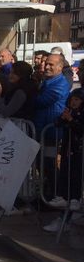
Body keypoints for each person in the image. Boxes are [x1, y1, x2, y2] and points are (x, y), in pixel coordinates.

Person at [44, 88, 84, 231]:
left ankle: (74, 199)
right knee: (65, 174)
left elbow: (80, 128)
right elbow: (57, 123)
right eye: (72, 100)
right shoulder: (69, 112)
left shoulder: (78, 115)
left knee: (75, 176)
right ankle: (64, 198)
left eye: (77, 100)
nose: (74, 102)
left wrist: (71, 120)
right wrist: (63, 118)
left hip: (78, 151)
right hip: (68, 150)